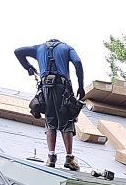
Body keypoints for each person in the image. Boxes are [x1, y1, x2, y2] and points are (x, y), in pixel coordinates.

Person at [14, 39, 85, 170]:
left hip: (45, 88)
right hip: (62, 88)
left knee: (50, 120)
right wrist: (81, 86)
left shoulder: (39, 48)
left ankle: (51, 157)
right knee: (67, 121)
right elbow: (77, 62)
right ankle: (69, 159)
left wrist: (28, 67)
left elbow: (18, 52)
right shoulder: (66, 48)